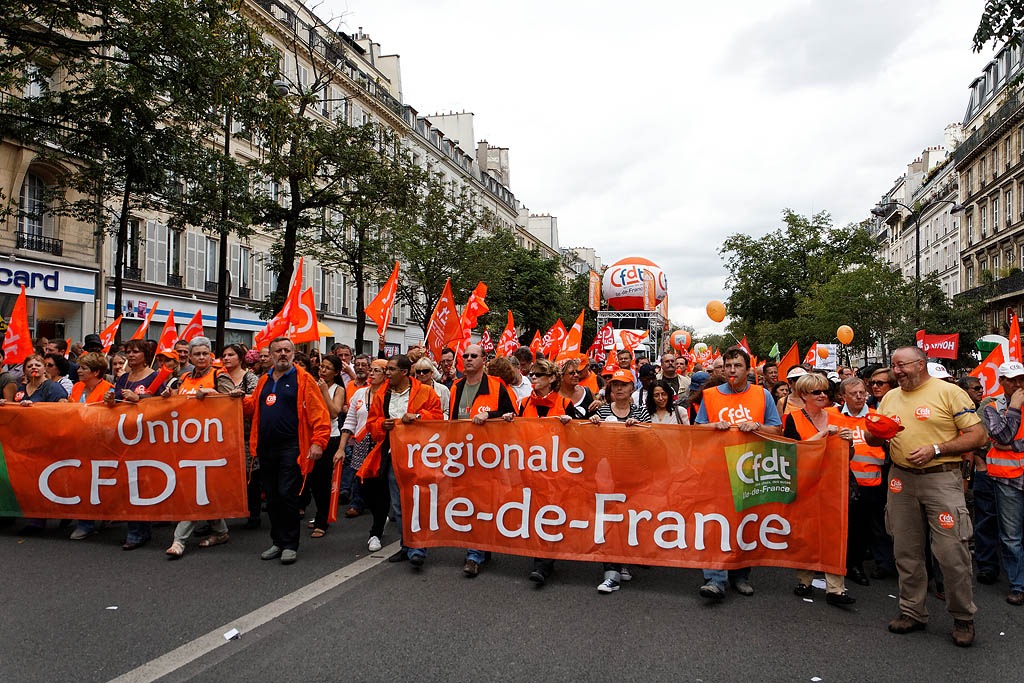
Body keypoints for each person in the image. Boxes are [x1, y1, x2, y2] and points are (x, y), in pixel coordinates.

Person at [865, 346, 985, 647]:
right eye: (894, 366)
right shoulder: (890, 397)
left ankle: (962, 617)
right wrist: (876, 433)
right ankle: (912, 611)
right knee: (905, 550)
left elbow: (978, 435)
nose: (897, 372)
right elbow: (872, 437)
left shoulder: (948, 392)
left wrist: (936, 449)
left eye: (902, 365)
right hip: (901, 481)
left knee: (951, 552)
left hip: (941, 479)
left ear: (922, 364)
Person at [694, 346, 782, 600]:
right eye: (728, 365)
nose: (732, 370)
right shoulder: (709, 395)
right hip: (717, 469)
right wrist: (713, 426)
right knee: (716, 525)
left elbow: (777, 430)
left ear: (748, 369)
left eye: (738, 366)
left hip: (750, 469)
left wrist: (758, 426)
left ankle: (741, 576)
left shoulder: (762, 395)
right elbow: (697, 430)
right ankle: (715, 579)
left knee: (745, 525)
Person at [244, 337, 331, 565]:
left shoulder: (303, 379)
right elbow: (253, 406)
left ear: (293, 353)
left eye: (287, 350)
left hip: (292, 446)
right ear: (271, 355)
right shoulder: (263, 380)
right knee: (272, 497)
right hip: (266, 447)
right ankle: (277, 541)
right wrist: (236, 399)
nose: (283, 354)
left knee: (286, 493)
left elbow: (319, 413)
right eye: (278, 350)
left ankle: (290, 544)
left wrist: (318, 442)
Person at [360, 354, 443, 567]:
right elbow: (372, 423)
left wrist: (417, 417)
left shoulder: (426, 392)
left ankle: (418, 548)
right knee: (398, 505)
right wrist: (382, 425)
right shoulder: (382, 394)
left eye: (391, 369)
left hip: (420, 456)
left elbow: (438, 419)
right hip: (392, 456)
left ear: (404, 372)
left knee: (418, 502)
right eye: (386, 369)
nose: (387, 373)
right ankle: (407, 546)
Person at [501, 358, 577, 585]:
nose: (532, 378)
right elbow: (513, 434)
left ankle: (543, 563)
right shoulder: (523, 404)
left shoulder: (564, 404)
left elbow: (581, 437)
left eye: (538, 375)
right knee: (534, 513)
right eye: (531, 375)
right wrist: (508, 419)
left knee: (550, 514)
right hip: (530, 470)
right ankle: (542, 555)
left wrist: (570, 423)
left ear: (552, 379)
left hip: (556, 471)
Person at [784, 373, 856, 606]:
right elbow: (795, 451)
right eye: (817, 392)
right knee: (805, 533)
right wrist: (823, 434)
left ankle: (836, 588)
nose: (823, 395)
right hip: (805, 484)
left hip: (833, 484)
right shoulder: (792, 419)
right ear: (804, 395)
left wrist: (849, 442)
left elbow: (848, 456)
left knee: (835, 533)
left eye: (825, 391)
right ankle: (804, 578)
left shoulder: (838, 417)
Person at [164, 337, 237, 558]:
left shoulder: (219, 375)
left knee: (196, 490)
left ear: (211, 356)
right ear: (191, 357)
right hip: (186, 442)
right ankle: (221, 530)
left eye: (205, 353)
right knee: (202, 488)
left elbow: (233, 401)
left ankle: (179, 540)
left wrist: (212, 394)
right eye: (197, 354)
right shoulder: (183, 378)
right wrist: (167, 397)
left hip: (212, 443)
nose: (202, 357)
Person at [449, 343, 518, 576]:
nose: (468, 359)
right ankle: (480, 548)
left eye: (473, 356)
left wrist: (490, 414)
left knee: (480, 504)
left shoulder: (498, 387)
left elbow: (513, 416)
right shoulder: (455, 387)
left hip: (489, 457)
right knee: (468, 505)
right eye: (465, 355)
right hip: (462, 455)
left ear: (483, 359)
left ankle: (474, 554)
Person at [588, 368, 650, 593]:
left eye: (624, 385)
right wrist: (593, 425)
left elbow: (651, 442)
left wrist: (639, 431)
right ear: (611, 389)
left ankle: (624, 560)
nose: (620, 389)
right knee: (609, 517)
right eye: (616, 385)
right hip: (607, 474)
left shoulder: (641, 413)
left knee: (629, 518)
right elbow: (591, 444)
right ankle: (611, 571)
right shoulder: (602, 412)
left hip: (633, 475)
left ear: (632, 388)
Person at [833, 377, 894, 584]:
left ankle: (875, 565)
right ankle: (843, 564)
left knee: (870, 528)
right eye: (854, 394)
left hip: (872, 484)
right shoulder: (832, 416)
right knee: (845, 528)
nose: (860, 397)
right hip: (841, 483)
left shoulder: (877, 417)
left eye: (862, 393)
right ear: (843, 396)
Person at [978, 360, 1024, 607]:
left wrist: (1014, 446)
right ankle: (1018, 585)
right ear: (1002, 381)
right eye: (1013, 380)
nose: (1018, 385)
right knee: (1011, 537)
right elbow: (1000, 436)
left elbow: (1008, 441)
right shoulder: (991, 406)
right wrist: (1015, 407)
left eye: (1021, 379)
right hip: (1007, 480)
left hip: (1015, 476)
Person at [340, 359, 388, 547]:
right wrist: (341, 447)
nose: (372, 373)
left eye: (377, 370)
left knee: (381, 488)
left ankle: (375, 533)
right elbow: (350, 421)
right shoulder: (360, 393)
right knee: (364, 488)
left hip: (381, 445)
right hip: (361, 444)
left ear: (386, 374)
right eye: (372, 369)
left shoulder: (390, 395)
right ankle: (380, 515)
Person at [959, 375, 1000, 585]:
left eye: (981, 388)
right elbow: (975, 446)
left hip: (1003, 474)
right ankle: (986, 563)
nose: (980, 391)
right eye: (975, 388)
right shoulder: (984, 409)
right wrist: (971, 473)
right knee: (985, 517)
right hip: (982, 472)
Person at [221, 343, 262, 529]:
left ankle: (254, 513)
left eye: (231, 355)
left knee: (250, 476)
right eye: (224, 355)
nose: (226, 358)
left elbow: (255, 400)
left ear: (240, 358)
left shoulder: (250, 377)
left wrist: (241, 398)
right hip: (224, 434)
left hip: (245, 434)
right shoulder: (218, 378)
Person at [305, 355, 346, 539]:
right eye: (321, 366)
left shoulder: (338, 389)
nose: (323, 370)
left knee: (322, 481)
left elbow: (334, 412)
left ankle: (323, 520)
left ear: (336, 372)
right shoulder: (312, 383)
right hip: (312, 436)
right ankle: (320, 513)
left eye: (328, 368)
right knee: (312, 480)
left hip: (330, 437)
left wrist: (323, 392)